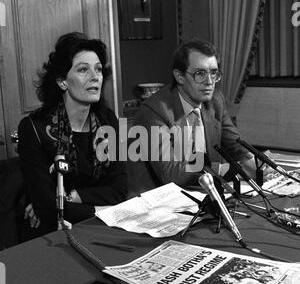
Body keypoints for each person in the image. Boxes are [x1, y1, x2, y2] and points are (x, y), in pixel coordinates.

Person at [18, 32, 127, 237]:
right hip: (51, 236)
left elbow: (119, 190)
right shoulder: (34, 128)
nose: (95, 77)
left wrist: (69, 196)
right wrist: (101, 210)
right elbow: (49, 210)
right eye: (83, 70)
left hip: (103, 230)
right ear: (62, 82)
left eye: (98, 69)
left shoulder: (108, 120)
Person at [130, 39, 257, 192]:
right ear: (180, 77)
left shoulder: (215, 101)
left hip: (203, 193)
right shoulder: (155, 111)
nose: (209, 81)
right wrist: (218, 169)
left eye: (214, 72)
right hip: (159, 201)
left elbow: (237, 146)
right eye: (200, 73)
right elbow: (170, 173)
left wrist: (258, 164)